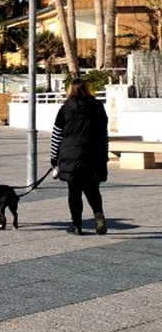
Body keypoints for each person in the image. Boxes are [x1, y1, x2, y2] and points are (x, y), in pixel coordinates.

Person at [50, 79, 109, 235]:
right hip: (94, 155)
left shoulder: (65, 108)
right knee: (93, 190)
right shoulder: (98, 107)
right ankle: (99, 216)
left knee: (74, 192)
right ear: (87, 89)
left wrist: (53, 158)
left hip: (71, 156)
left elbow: (57, 135)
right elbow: (104, 134)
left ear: (71, 90)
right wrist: (104, 155)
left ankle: (77, 225)